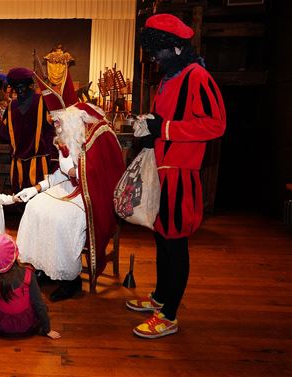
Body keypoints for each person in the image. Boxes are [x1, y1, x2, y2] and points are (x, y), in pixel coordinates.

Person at [126, 14, 226, 339]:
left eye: (158, 52)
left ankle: (169, 316)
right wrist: (150, 123)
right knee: (161, 238)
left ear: (177, 48)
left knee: (175, 243)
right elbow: (165, 121)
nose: (153, 59)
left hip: (181, 175)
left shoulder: (197, 76)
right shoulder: (170, 78)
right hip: (161, 170)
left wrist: (163, 128)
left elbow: (216, 124)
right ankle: (160, 297)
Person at [16, 78, 125, 302]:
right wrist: (36, 188)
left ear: (72, 119)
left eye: (58, 121)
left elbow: (104, 174)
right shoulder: (66, 138)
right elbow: (60, 174)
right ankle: (44, 267)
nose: (55, 125)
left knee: (62, 219)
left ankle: (70, 280)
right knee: (35, 206)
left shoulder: (96, 135)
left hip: (92, 194)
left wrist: (77, 172)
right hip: (70, 187)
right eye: (54, 121)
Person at [0, 233, 60, 339]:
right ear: (15, 254)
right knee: (42, 305)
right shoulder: (28, 274)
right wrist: (47, 329)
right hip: (28, 328)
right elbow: (39, 304)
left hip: (3, 328)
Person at [0, 67, 58, 193]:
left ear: (29, 85)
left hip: (39, 164)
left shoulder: (43, 102)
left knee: (40, 200)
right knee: (19, 199)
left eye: (22, 86)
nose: (19, 90)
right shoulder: (11, 106)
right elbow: (5, 134)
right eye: (16, 87)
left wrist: (54, 159)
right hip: (18, 165)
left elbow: (54, 132)